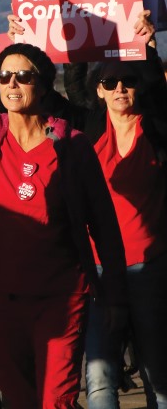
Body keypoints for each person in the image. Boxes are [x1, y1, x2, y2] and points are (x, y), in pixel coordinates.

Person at [0, 42, 127, 409]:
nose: (12, 83)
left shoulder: (72, 146)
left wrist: (114, 295)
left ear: (45, 85)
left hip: (61, 300)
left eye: (23, 75)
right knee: (19, 400)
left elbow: (104, 225)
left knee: (57, 401)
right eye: (3, 76)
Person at [62, 22, 167, 409]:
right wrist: (28, 38)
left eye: (128, 79)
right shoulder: (89, 130)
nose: (119, 87)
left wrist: (149, 50)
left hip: (150, 266)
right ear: (99, 92)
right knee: (99, 376)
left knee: (158, 374)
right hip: (100, 270)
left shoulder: (156, 129)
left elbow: (160, 94)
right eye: (110, 82)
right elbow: (61, 94)